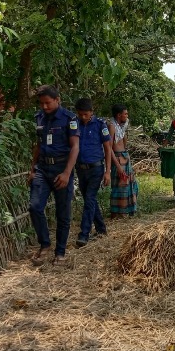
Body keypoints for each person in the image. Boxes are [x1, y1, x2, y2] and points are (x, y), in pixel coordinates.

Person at [27, 85, 79, 266]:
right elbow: (38, 145)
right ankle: (45, 244)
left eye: (48, 103)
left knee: (62, 213)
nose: (44, 107)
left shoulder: (69, 119)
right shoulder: (39, 117)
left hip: (61, 169)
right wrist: (32, 168)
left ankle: (60, 252)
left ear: (57, 100)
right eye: (41, 103)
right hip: (42, 169)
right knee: (34, 207)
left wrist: (66, 173)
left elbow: (75, 147)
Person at [74, 98, 112, 247]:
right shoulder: (74, 124)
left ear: (91, 112)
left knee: (89, 198)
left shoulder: (100, 125)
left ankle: (84, 234)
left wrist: (107, 172)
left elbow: (108, 148)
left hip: (96, 169)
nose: (83, 117)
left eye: (86, 114)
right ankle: (101, 228)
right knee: (90, 200)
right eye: (80, 114)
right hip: (80, 169)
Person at [107, 104, 138, 218]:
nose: (127, 115)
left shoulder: (122, 125)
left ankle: (125, 211)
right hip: (118, 158)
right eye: (125, 114)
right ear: (119, 115)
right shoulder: (111, 126)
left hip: (124, 156)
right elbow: (109, 148)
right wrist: (118, 165)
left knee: (129, 185)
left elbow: (124, 139)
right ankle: (117, 213)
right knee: (120, 186)